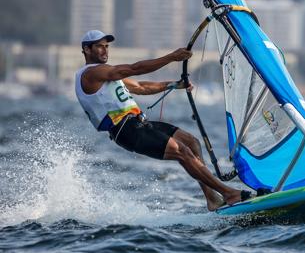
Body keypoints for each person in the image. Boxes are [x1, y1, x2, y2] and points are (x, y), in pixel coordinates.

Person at [75, 30, 250, 211]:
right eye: (99, 47)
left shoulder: (106, 74)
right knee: (182, 151)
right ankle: (229, 193)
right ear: (87, 50)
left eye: (106, 46)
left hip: (139, 123)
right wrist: (171, 57)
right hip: (126, 131)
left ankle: (212, 199)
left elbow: (141, 87)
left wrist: (173, 84)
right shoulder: (90, 74)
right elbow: (134, 68)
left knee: (192, 142)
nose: (104, 51)